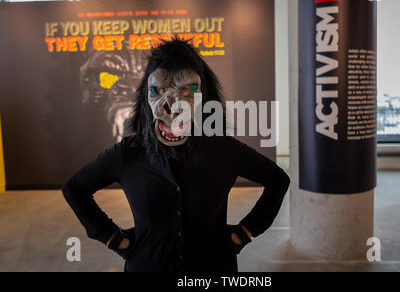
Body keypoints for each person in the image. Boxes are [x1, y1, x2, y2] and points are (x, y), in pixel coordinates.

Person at [61, 38, 290, 273]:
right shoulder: (129, 153)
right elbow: (74, 188)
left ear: (205, 98)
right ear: (145, 98)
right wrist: (113, 238)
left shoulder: (224, 150)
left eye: (186, 90)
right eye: (158, 90)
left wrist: (245, 233)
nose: (172, 106)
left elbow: (278, 180)